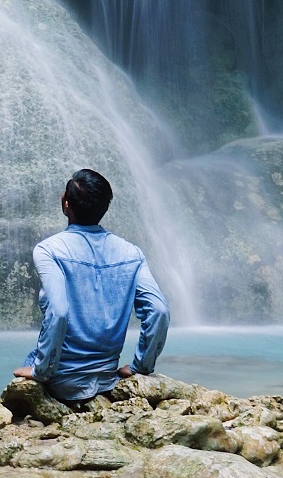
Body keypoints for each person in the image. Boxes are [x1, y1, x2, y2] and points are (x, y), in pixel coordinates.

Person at [13, 168, 169, 403]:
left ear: (66, 203)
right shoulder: (131, 253)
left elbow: (58, 312)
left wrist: (40, 371)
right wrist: (140, 367)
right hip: (107, 378)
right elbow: (159, 310)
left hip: (60, 382)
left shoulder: (49, 250)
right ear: (105, 207)